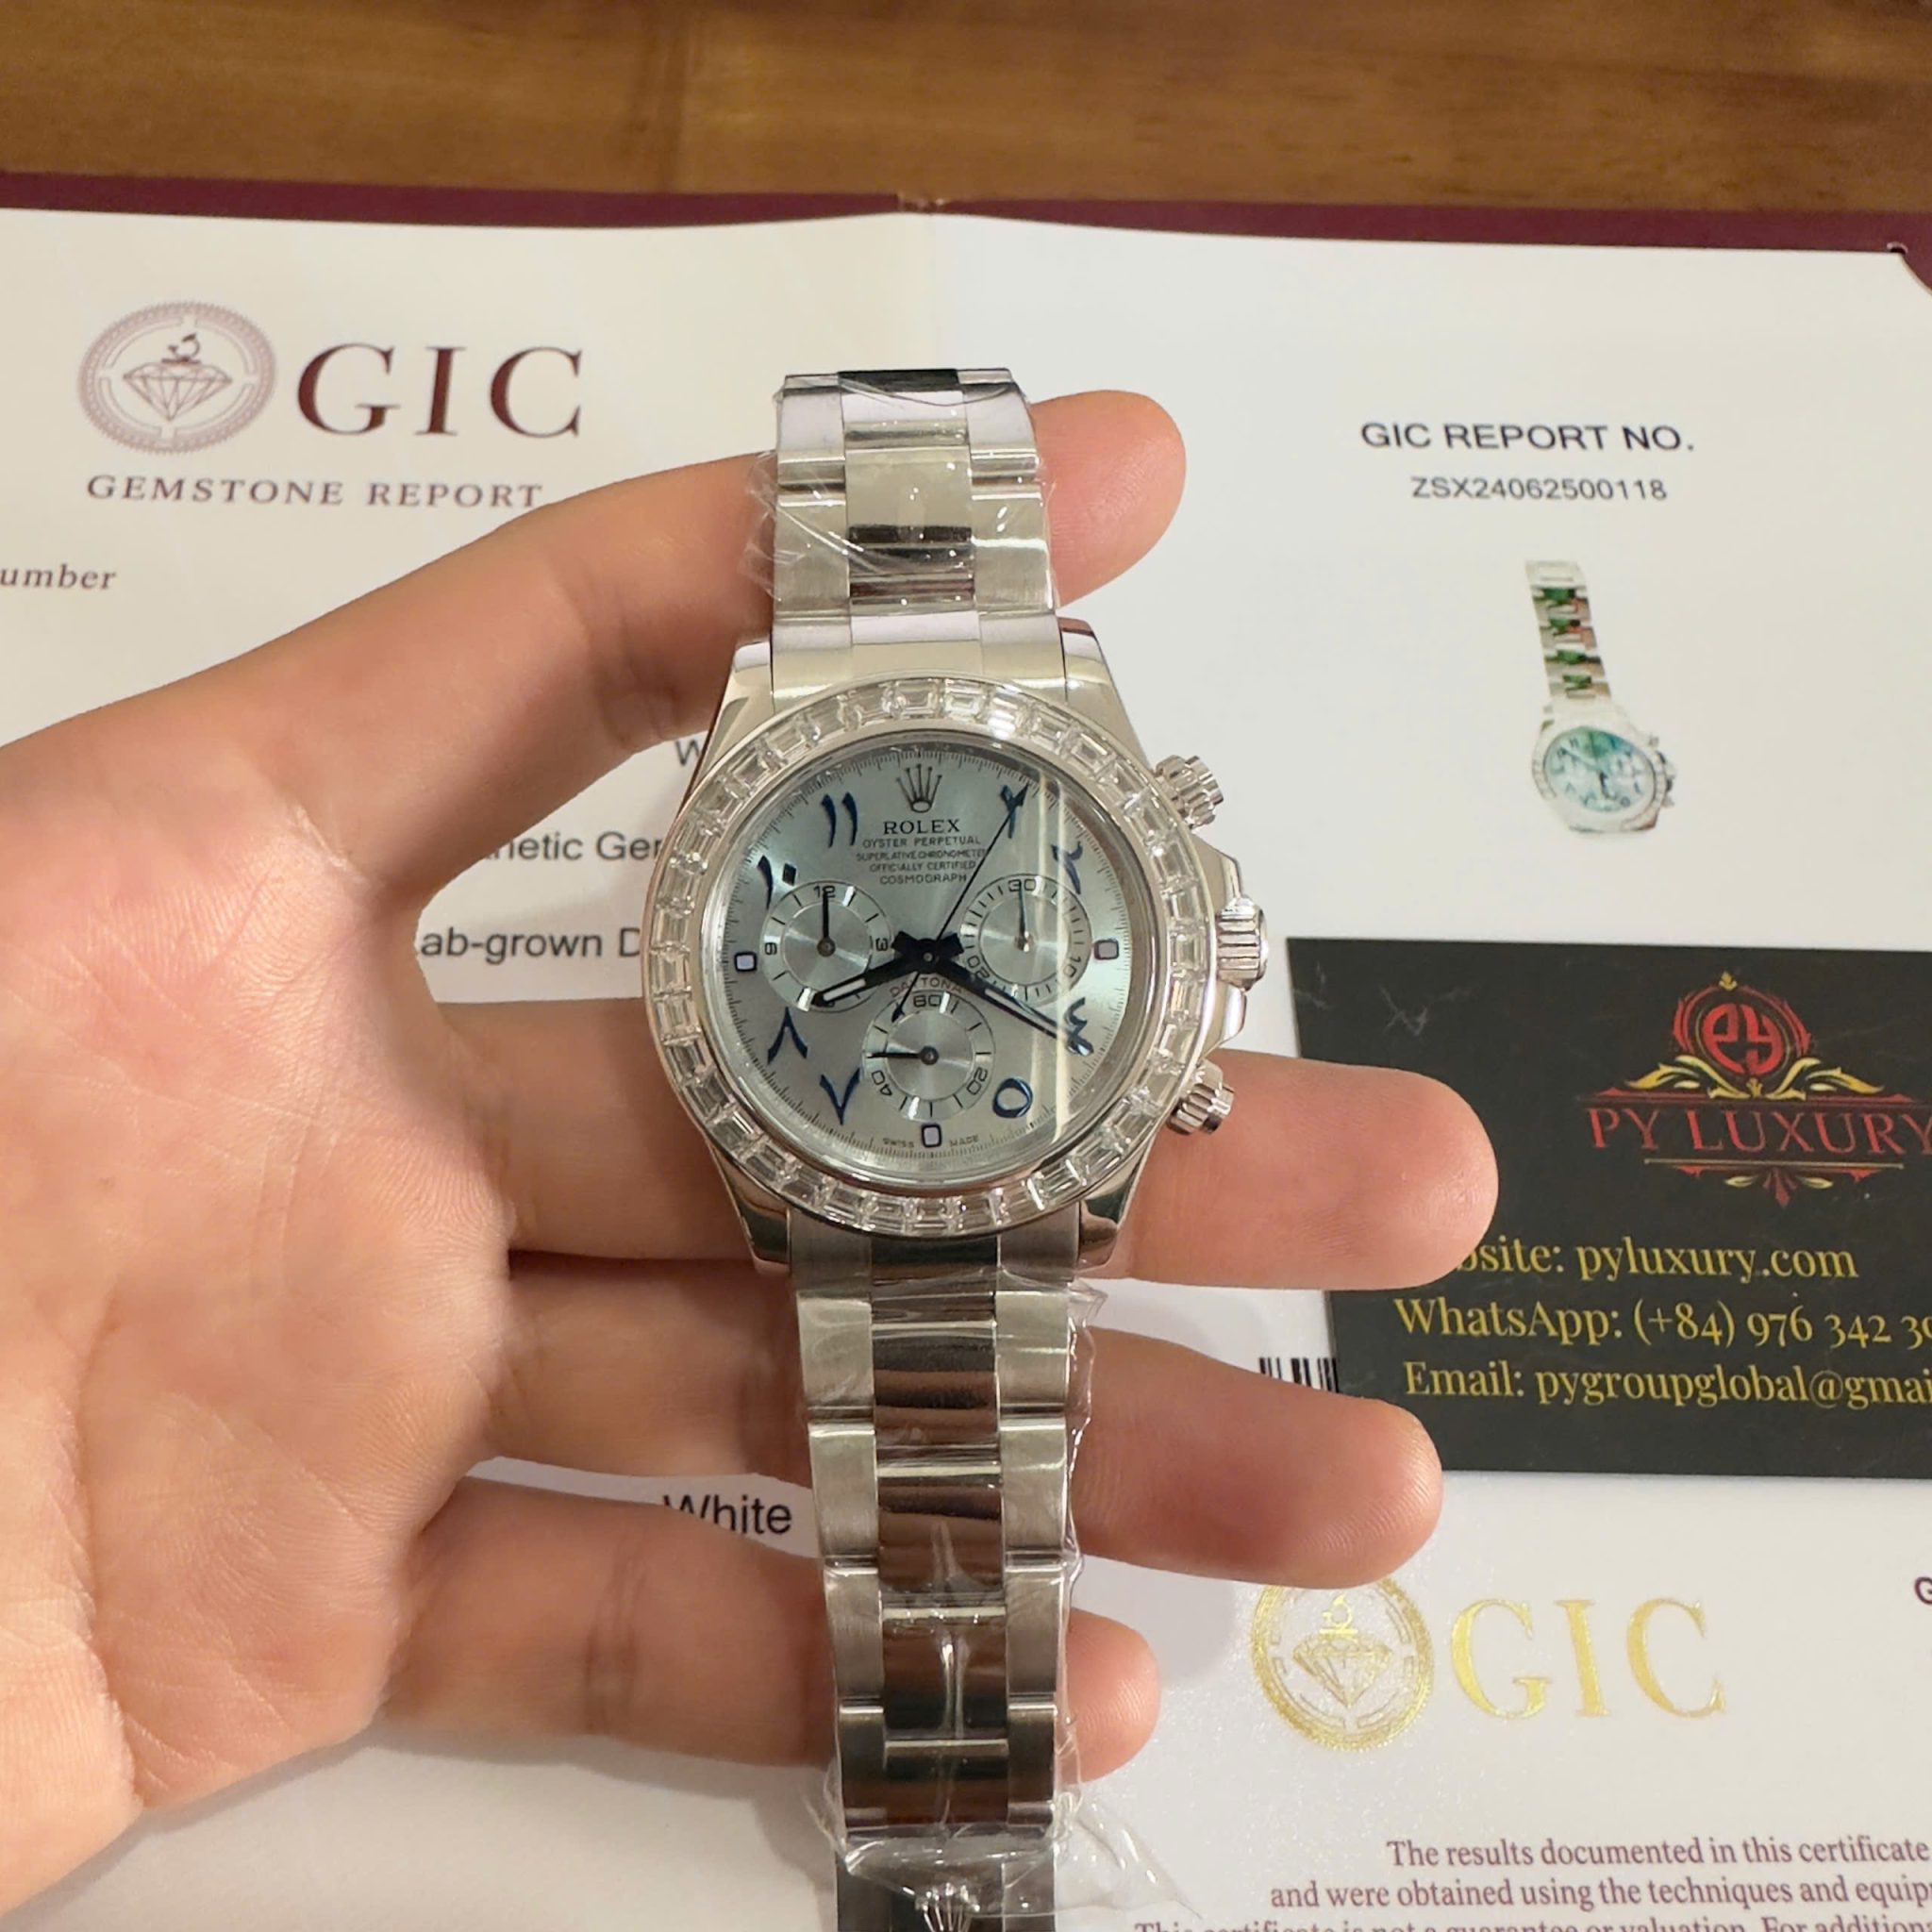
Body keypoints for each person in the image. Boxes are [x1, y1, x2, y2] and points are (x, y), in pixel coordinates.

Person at [0, 391, 1494, 1910]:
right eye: (898, 947)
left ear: (1196, 945)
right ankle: (945, 1824)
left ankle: (953, 1822)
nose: (926, 957)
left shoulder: (1029, 805)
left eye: (956, 947)